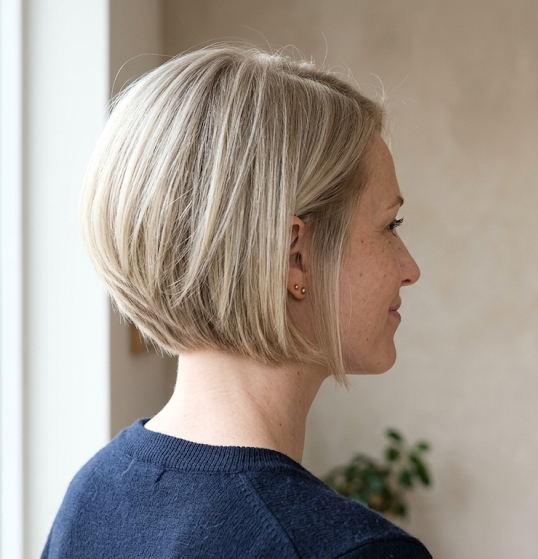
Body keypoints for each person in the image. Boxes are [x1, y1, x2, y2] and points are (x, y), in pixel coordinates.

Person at [41, 45, 428, 558]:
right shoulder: (351, 552)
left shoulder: (94, 496)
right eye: (389, 226)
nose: (410, 269)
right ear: (295, 257)